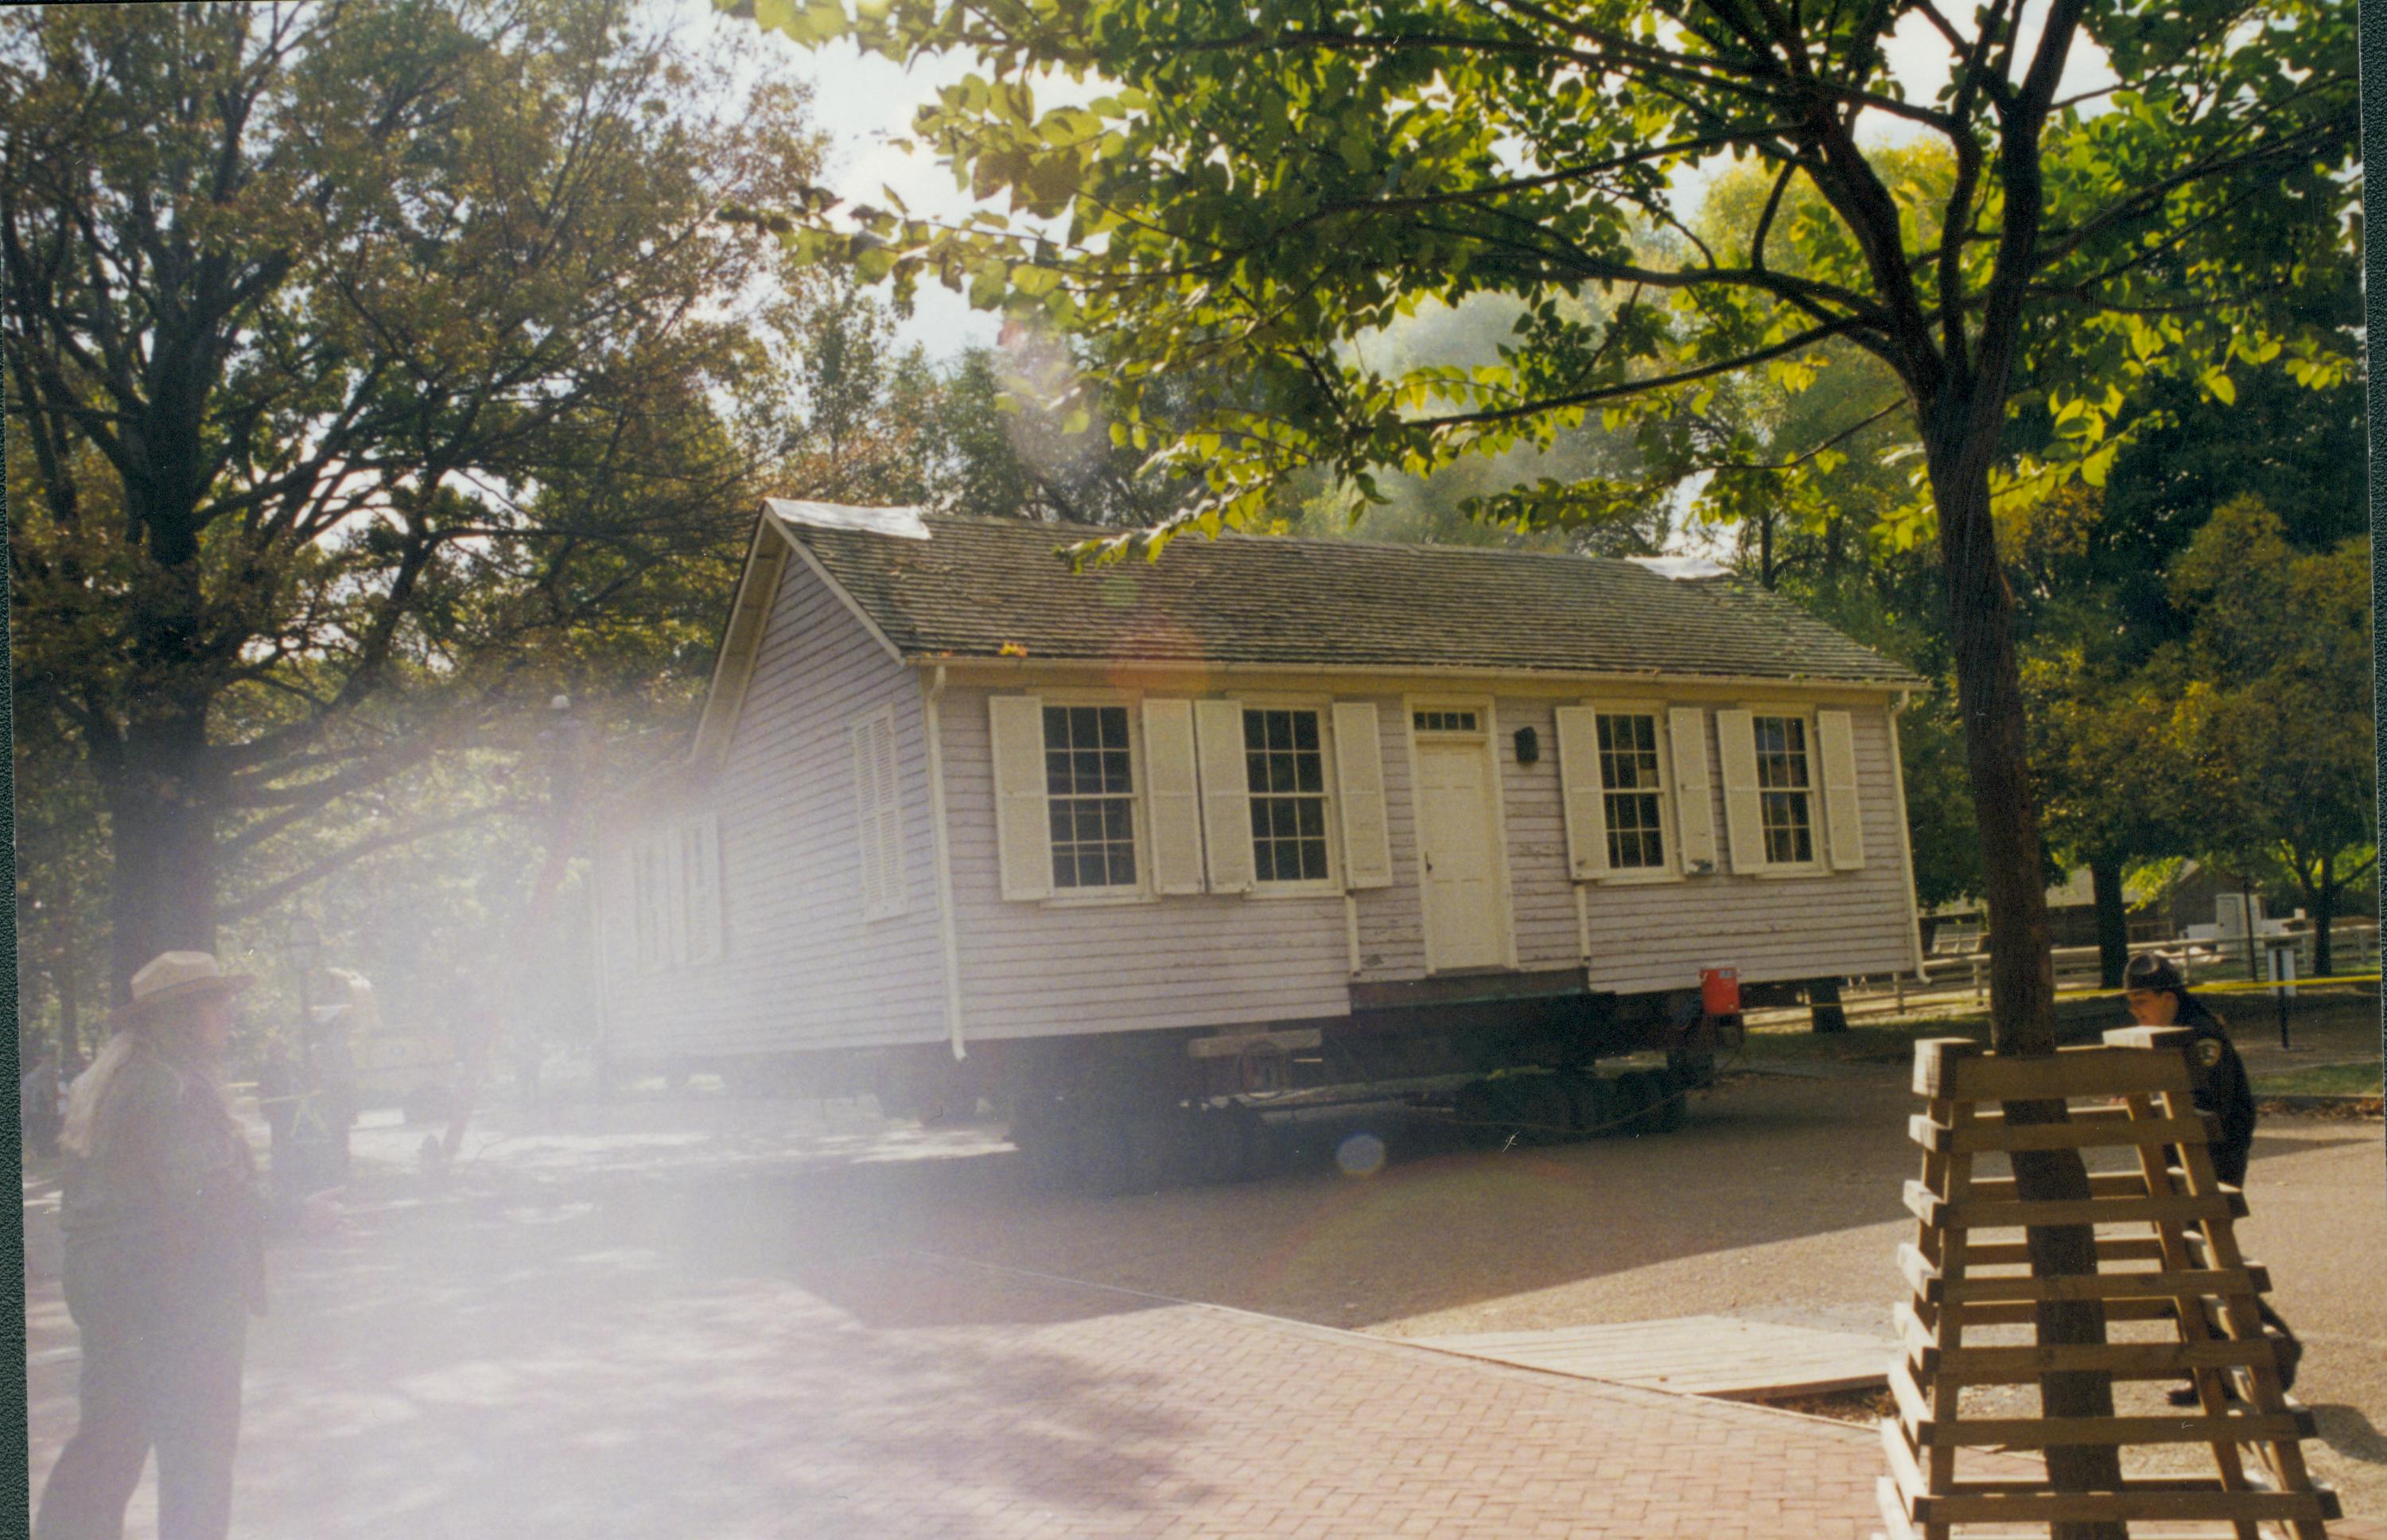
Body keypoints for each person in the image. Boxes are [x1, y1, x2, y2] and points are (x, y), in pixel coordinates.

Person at [35, 951, 267, 1540]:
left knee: (112, 1439)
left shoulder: (116, 1082)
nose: (229, 1016)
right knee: (199, 1455)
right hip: (177, 1294)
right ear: (183, 1015)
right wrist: (295, 1211)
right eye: (218, 1003)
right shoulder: (169, 1091)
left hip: (120, 1289)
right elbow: (201, 1196)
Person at [2122, 952, 2301, 1402]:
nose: (2135, 1011)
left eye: (2142, 1001)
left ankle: (2277, 1347)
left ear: (2168, 997)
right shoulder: (2169, 1031)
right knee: (2184, 1261)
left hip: (2212, 1158)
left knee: (2201, 1260)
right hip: (2185, 1156)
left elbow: (2209, 1109)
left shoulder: (2201, 1036)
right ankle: (2214, 1374)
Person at [23, 1039, 63, 1160]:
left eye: (52, 1059)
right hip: (36, 1109)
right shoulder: (34, 1077)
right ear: (42, 1059)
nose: (50, 1062)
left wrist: (54, 1106)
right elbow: (26, 1096)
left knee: (47, 1131)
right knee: (39, 1132)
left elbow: (54, 1093)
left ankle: (45, 1153)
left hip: (46, 1109)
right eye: (48, 1058)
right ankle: (40, 1153)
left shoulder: (51, 1075)